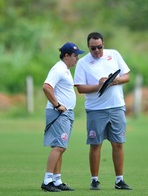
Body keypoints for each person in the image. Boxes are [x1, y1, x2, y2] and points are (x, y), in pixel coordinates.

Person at [74, 32, 132, 190]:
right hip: (95, 109)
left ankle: (119, 180)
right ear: (88, 47)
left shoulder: (114, 55)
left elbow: (126, 76)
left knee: (118, 143)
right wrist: (99, 85)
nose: (97, 51)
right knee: (95, 144)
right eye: (93, 48)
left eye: (99, 47)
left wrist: (115, 81)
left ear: (103, 44)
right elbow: (80, 88)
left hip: (116, 106)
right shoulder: (83, 63)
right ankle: (94, 180)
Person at [41, 42, 84, 192]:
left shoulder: (64, 69)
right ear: (66, 56)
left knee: (61, 147)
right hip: (59, 113)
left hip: (66, 113)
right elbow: (46, 87)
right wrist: (57, 105)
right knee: (59, 146)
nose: (77, 58)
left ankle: (57, 181)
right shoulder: (58, 69)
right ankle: (47, 181)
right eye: (75, 55)